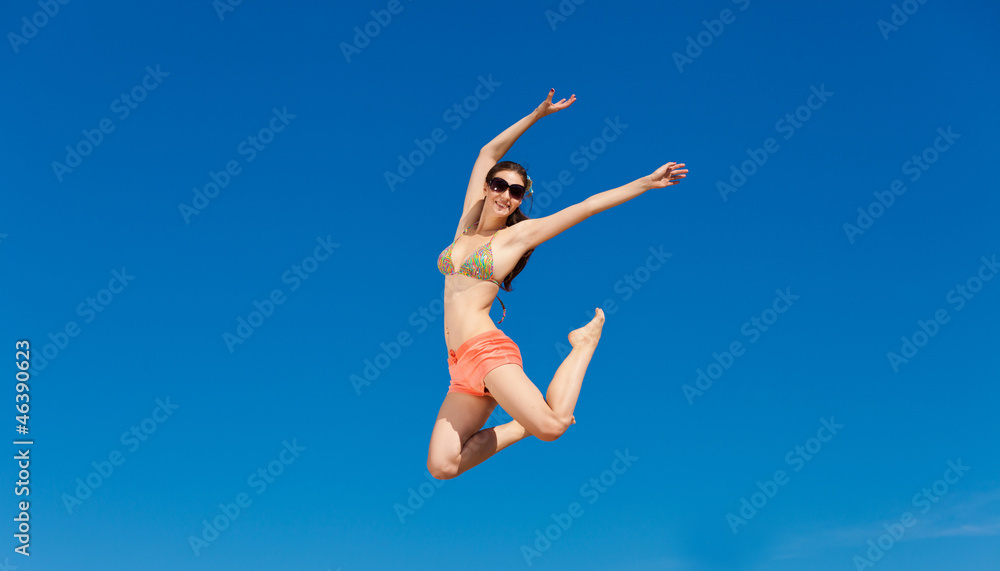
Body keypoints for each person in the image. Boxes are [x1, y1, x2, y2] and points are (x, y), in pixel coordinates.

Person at [426, 89, 687, 479]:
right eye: (499, 185)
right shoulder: (465, 224)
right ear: (487, 186)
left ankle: (582, 345)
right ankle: (522, 422)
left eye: (516, 192)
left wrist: (644, 184)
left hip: (486, 350)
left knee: (553, 426)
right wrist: (537, 115)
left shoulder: (517, 237)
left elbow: (585, 206)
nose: (506, 196)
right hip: (458, 364)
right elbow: (486, 152)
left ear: (520, 200)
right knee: (443, 466)